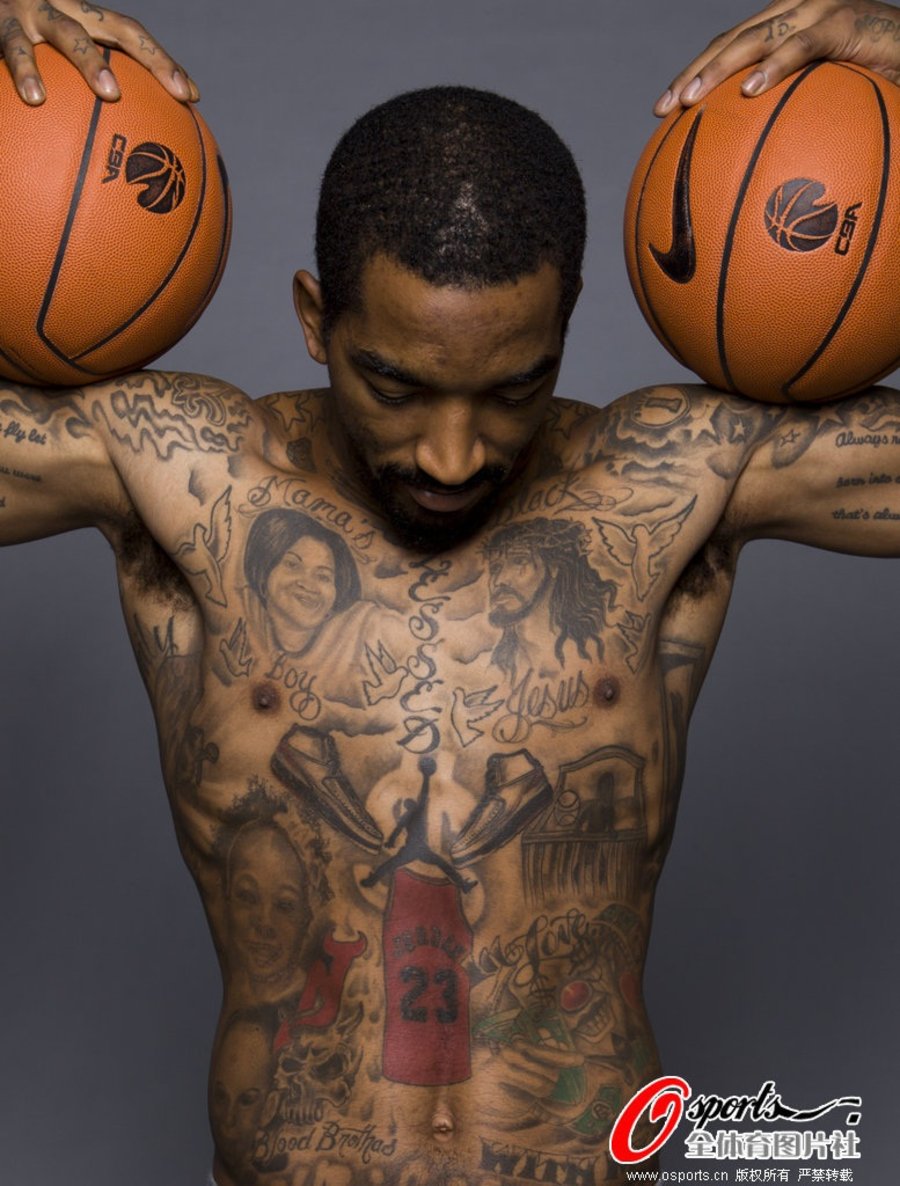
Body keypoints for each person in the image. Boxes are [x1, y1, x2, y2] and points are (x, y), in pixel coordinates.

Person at [1, 1, 899, 1184]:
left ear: (568, 325)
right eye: (395, 386)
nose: (452, 454)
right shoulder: (181, 475)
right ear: (315, 319)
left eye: (515, 388)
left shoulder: (670, 484)